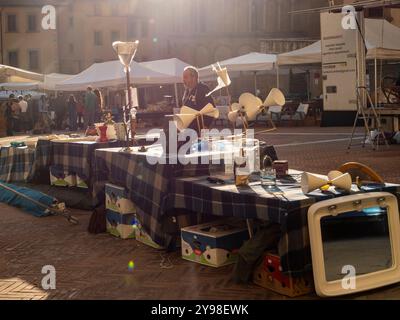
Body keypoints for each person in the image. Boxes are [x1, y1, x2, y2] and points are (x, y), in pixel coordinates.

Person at [181, 66, 215, 131]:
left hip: (199, 128)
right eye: (183, 78)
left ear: (194, 77)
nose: (183, 80)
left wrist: (206, 125)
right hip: (188, 128)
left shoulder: (203, 89)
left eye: (185, 77)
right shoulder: (187, 91)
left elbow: (210, 108)